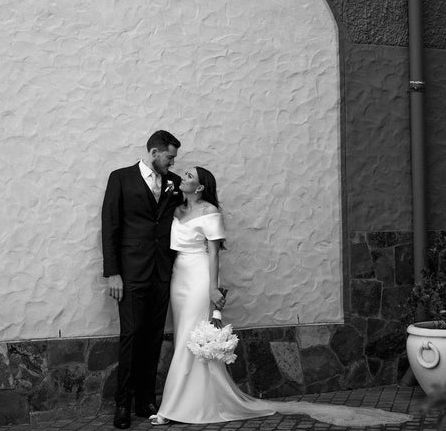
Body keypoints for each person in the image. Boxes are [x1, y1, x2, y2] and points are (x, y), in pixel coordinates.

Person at [149, 167, 412, 427]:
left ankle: (172, 407)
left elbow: (215, 253)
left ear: (201, 187)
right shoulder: (177, 209)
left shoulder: (210, 212)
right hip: (178, 278)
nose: (182, 178)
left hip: (199, 277)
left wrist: (212, 288)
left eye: (188, 176)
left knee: (188, 338)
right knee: (185, 336)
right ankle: (197, 402)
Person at [101, 130, 184, 429]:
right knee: (131, 336)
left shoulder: (174, 184)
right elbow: (110, 227)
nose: (172, 162)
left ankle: (146, 400)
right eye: (169, 157)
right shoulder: (120, 178)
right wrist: (113, 273)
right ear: (154, 152)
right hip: (131, 273)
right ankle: (122, 403)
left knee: (152, 337)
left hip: (161, 272)